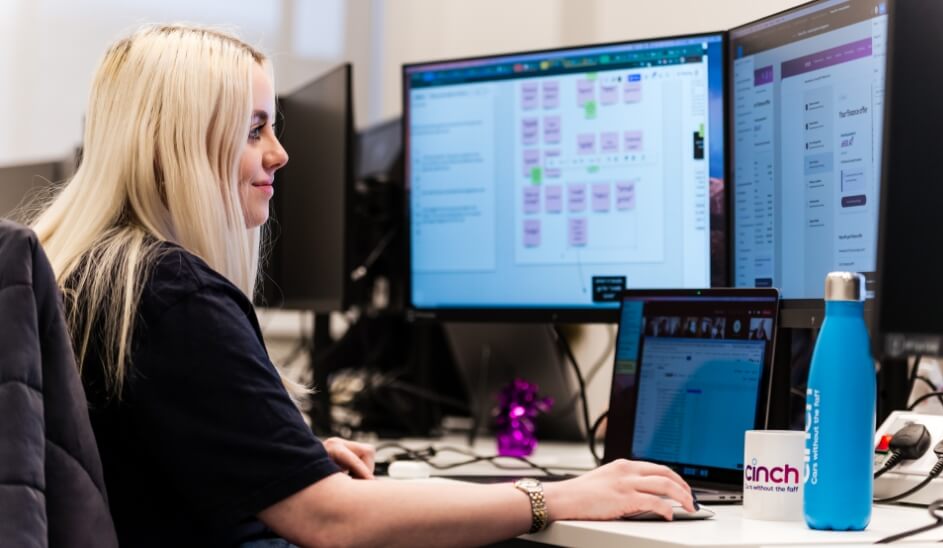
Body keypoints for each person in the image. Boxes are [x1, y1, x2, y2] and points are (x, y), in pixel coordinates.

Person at [31, 24, 695, 547]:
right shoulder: (174, 292)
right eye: (253, 128)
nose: (279, 155)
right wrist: (555, 499)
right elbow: (331, 523)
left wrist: (276, 459)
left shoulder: (96, 271)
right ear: (177, 143)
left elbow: (143, 461)